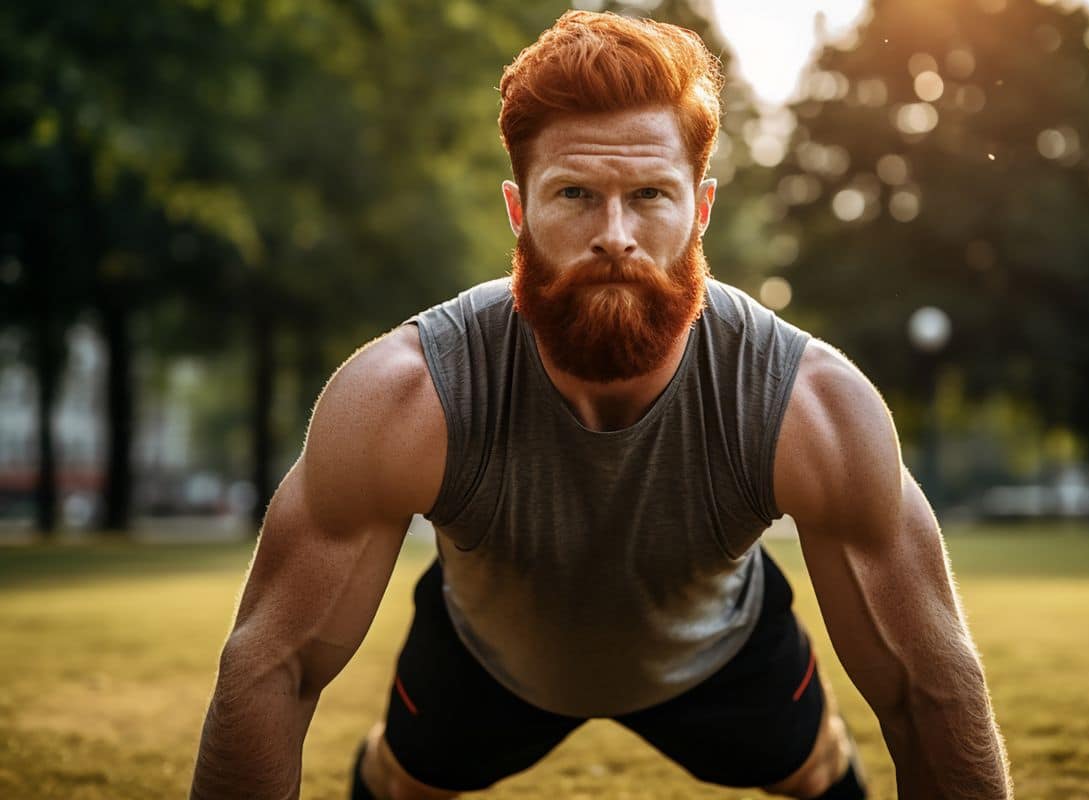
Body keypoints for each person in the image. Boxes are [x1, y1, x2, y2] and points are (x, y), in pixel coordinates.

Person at [190, 11, 1012, 800]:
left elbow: (929, 693)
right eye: (575, 193)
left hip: (720, 648)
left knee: (813, 766)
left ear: (702, 210)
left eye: (651, 195)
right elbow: (272, 666)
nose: (613, 234)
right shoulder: (409, 393)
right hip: (487, 654)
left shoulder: (811, 405)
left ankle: (814, 746)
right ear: (519, 212)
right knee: (402, 780)